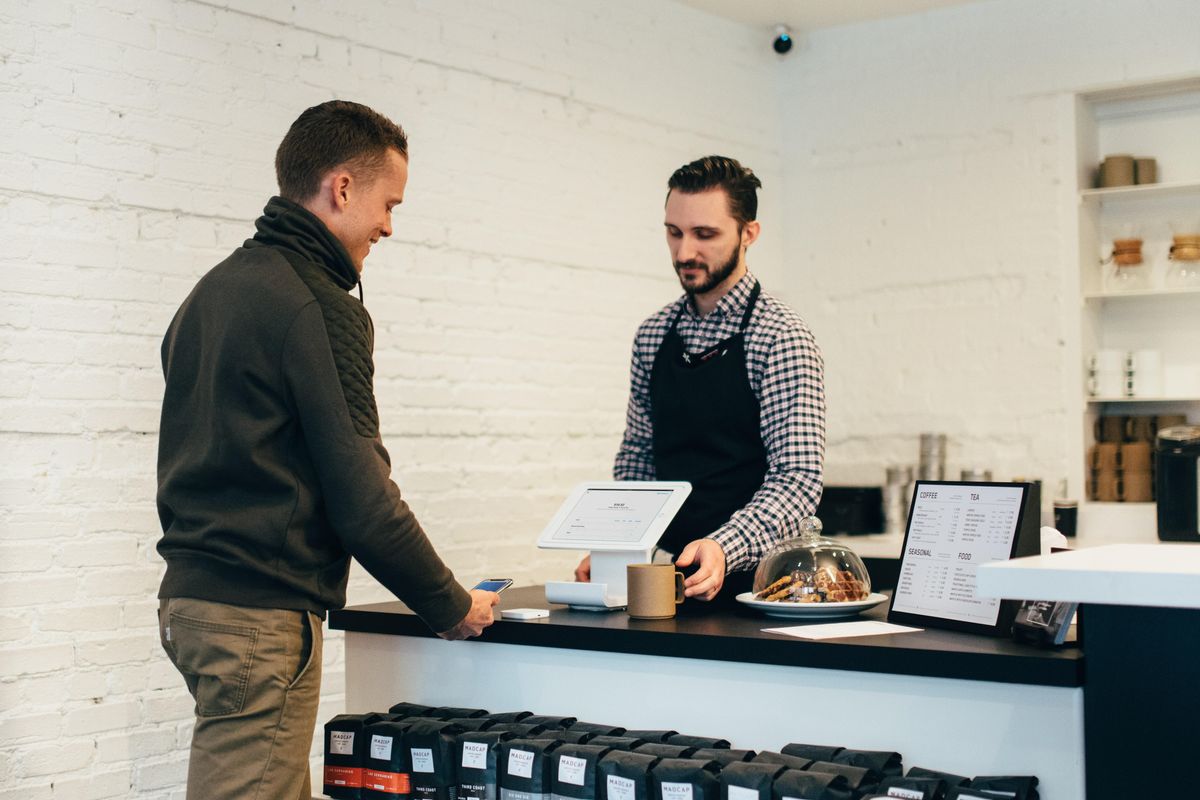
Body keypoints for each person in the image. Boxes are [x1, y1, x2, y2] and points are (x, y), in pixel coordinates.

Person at [155, 100, 497, 800]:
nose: (389, 226)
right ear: (341, 188)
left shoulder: (210, 294)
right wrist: (451, 604)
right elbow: (363, 496)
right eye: (387, 203)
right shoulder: (318, 307)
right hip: (260, 618)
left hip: (192, 604)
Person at [575, 155, 825, 602]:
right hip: (670, 582)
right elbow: (639, 457)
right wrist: (617, 544)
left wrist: (723, 547)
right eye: (674, 233)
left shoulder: (781, 337)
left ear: (749, 233)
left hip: (763, 588)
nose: (684, 252)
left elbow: (797, 478)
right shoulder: (654, 335)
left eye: (704, 235)